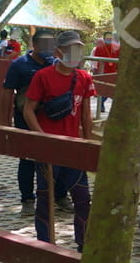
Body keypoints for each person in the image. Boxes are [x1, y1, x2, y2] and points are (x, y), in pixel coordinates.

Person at [22, 30, 95, 251]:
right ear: (58, 52)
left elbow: (86, 114)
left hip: (74, 149)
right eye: (70, 49)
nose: (75, 53)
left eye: (79, 49)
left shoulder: (84, 77)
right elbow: (28, 109)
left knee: (82, 199)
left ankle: (83, 244)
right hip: (49, 150)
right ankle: (45, 245)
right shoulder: (42, 76)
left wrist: (87, 144)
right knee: (45, 198)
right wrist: (42, 138)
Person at [3, 30, 67, 216]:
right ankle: (28, 199)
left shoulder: (56, 64)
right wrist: (5, 120)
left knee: (58, 158)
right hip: (25, 118)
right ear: (35, 45)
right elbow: (7, 92)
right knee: (28, 159)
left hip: (52, 119)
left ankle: (60, 196)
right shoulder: (19, 65)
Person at [90, 31, 120, 112]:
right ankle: (101, 105)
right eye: (107, 38)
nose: (109, 39)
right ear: (104, 38)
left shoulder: (117, 47)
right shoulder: (98, 48)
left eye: (110, 38)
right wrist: (95, 69)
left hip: (113, 71)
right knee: (104, 90)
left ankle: (103, 105)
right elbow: (95, 60)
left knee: (111, 90)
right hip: (102, 72)